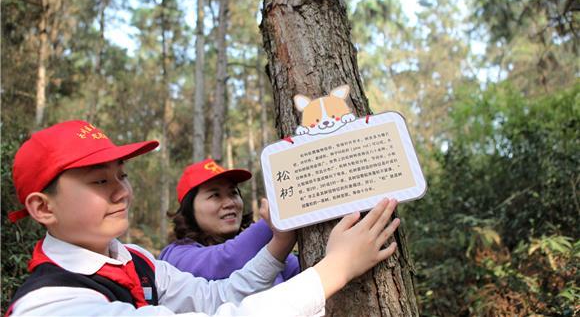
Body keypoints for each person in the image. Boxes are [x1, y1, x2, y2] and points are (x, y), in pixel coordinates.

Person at [6, 120, 400, 316]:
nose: (122, 192)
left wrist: (280, 242)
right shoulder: (51, 305)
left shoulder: (137, 260)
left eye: (122, 176)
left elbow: (216, 297)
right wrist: (336, 269)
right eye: (99, 181)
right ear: (44, 208)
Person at [160, 159, 299, 284]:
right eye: (215, 195)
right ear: (189, 209)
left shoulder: (260, 248)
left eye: (233, 193)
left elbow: (301, 273)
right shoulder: (176, 256)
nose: (229, 203)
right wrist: (279, 214)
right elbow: (226, 259)